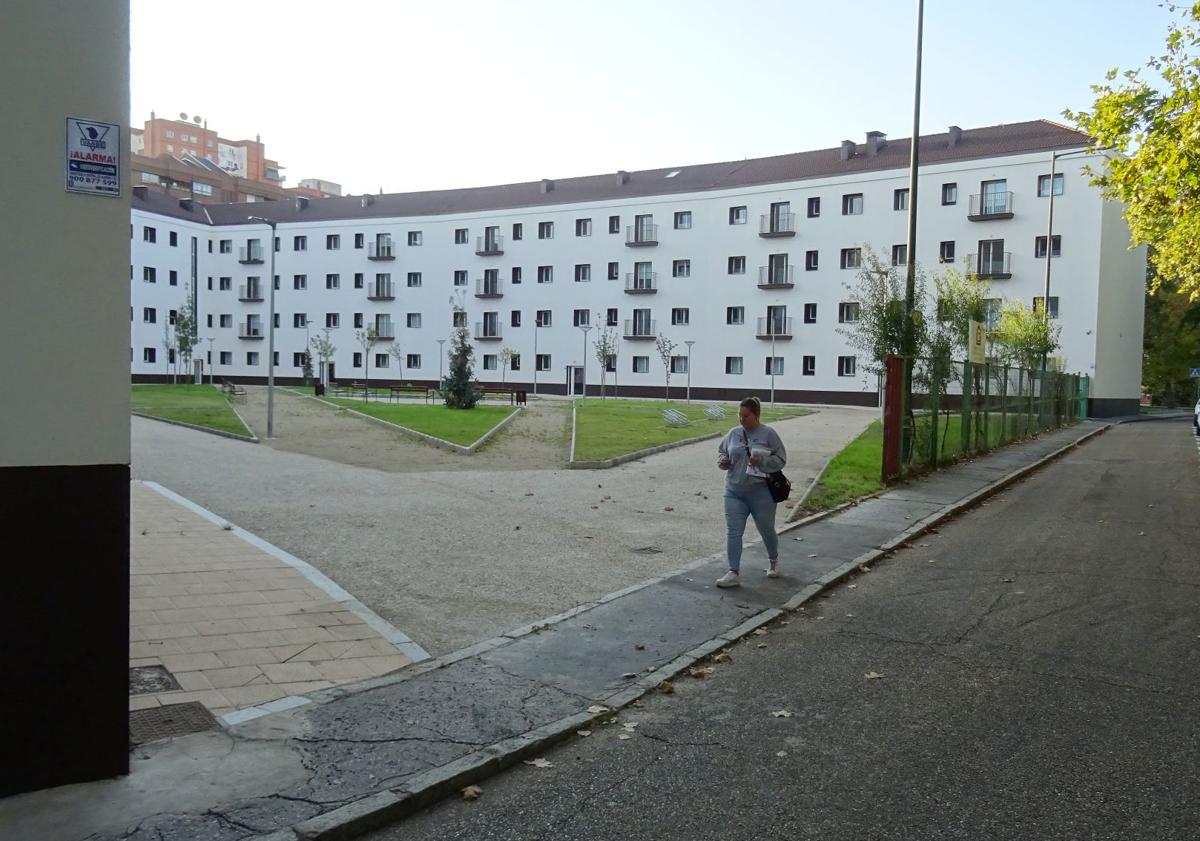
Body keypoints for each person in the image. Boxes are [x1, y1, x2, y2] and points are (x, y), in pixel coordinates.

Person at [715, 396, 787, 588]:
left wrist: (762, 462)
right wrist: (723, 461)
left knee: (766, 529)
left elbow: (781, 459)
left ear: (756, 415)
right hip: (734, 490)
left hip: (760, 492)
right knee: (733, 531)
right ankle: (733, 571)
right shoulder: (733, 433)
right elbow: (722, 451)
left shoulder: (768, 434)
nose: (741, 419)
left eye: (746, 415)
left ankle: (773, 561)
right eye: (739, 415)